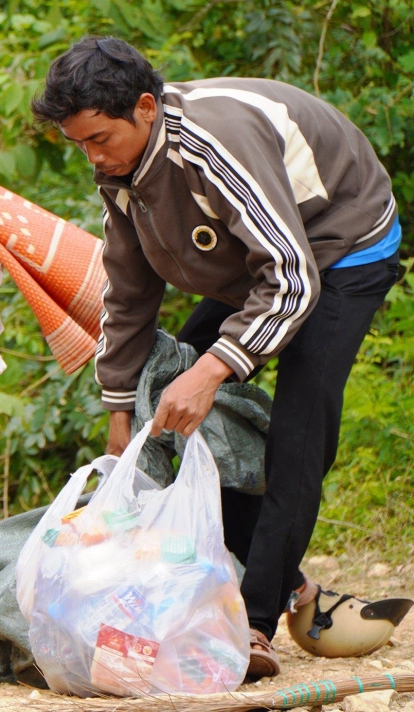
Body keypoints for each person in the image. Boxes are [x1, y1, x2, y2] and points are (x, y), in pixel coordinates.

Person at [32, 36, 401, 679]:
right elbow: (128, 291)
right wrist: (121, 413)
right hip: (261, 265)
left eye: (99, 139)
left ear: (145, 108)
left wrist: (213, 370)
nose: (91, 157)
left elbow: (292, 277)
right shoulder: (120, 170)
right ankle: (288, 585)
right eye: (79, 144)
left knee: (299, 436)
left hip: (339, 250)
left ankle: (254, 624)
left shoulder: (211, 146)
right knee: (165, 401)